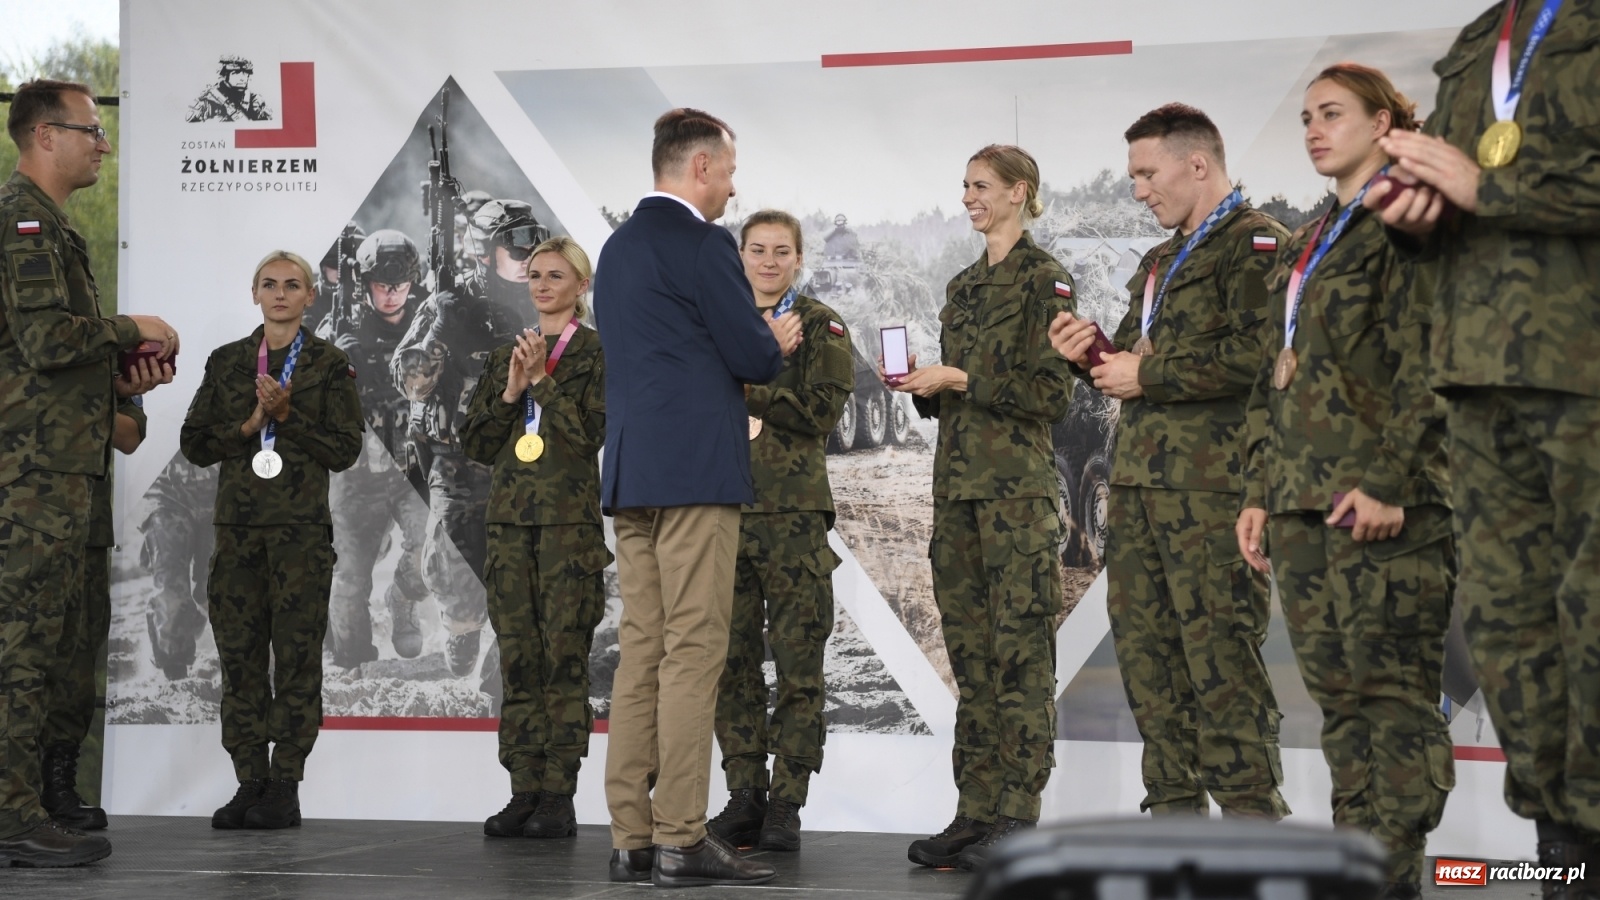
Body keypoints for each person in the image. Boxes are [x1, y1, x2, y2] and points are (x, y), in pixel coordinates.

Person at [1365, 2, 1600, 891]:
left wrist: (1486, 188)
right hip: (1480, 374)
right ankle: (1565, 846)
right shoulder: (1480, 40)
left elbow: (1490, 182)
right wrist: (1418, 219)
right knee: (1510, 633)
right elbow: (1461, 205)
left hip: (1585, 372)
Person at [1233, 65, 1454, 898]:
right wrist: (1259, 490)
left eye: (1333, 114)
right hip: (1301, 502)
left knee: (1391, 702)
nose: (1315, 130)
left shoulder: (1411, 220)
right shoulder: (1305, 240)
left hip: (1383, 501)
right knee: (1340, 709)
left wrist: (1393, 479)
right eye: (1305, 118)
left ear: (1384, 122)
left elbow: (1433, 359)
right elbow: (1272, 376)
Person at [1050, 104, 1291, 821]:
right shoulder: (1159, 264)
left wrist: (1145, 376)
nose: (1138, 190)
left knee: (1223, 670)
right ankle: (1175, 825)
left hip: (1213, 499)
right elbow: (1130, 360)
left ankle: (1254, 832)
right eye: (1132, 177)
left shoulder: (1258, 247)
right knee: (1153, 670)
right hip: (1141, 496)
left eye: (1147, 174)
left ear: (1197, 163)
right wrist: (1089, 351)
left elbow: (1260, 357)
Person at [597, 107, 800, 888]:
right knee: (692, 653)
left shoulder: (616, 247)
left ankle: (630, 837)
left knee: (640, 652)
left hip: (634, 475)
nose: (733, 186)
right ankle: (681, 836)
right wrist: (772, 343)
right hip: (694, 479)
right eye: (730, 170)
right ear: (701, 169)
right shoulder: (704, 242)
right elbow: (748, 349)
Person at [1, 78, 178, 866]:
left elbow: (39, 364)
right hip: (27, 485)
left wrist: (117, 381)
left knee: (60, 650)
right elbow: (43, 343)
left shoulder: (57, 231)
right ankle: (11, 819)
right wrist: (131, 327)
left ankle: (39, 800)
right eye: (90, 130)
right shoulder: (22, 220)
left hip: (65, 478)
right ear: (45, 135)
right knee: (21, 651)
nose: (102, 144)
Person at [888, 145, 1075, 871]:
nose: (968, 196)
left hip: (1017, 500)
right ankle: (974, 811)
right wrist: (928, 389)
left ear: (1019, 193)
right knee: (973, 661)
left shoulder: (1045, 281)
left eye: (981, 186)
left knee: (1021, 661)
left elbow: (1052, 395)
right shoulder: (962, 286)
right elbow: (963, 396)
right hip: (958, 497)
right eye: (964, 185)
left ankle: (1018, 819)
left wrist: (963, 375)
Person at [179, 250, 362, 830]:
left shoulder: (331, 365)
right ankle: (248, 782)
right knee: (240, 660)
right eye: (269, 284)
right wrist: (249, 428)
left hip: (300, 537)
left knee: (298, 660)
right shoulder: (229, 361)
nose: (280, 294)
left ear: (312, 296)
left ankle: (284, 785)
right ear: (254, 293)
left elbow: (345, 449)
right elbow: (194, 442)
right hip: (237, 534)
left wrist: (290, 415)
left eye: (292, 285)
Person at [707, 210, 853, 853]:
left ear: (797, 258)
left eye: (781, 251)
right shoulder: (715, 323)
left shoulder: (821, 324)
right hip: (721, 510)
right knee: (730, 664)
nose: (768, 260)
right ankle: (744, 794)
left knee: (799, 668)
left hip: (793, 519)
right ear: (740, 255)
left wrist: (748, 384)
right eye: (757, 249)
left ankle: (787, 803)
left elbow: (822, 412)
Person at [460, 236, 609, 840]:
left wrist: (544, 383)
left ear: (581, 285)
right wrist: (512, 391)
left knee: (563, 660)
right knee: (518, 659)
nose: (544, 284)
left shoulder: (600, 355)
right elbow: (475, 442)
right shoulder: (506, 356)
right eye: (536, 275)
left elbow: (589, 437)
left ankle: (558, 794)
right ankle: (522, 787)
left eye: (557, 275)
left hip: (568, 530)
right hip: (509, 528)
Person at [392, 199, 547, 683]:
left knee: (525, 572)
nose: (527, 256)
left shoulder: (547, 300)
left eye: (533, 243)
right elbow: (411, 383)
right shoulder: (447, 306)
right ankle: (460, 626)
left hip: (523, 457)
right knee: (456, 578)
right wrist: (440, 330)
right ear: (484, 251)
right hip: (456, 461)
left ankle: (505, 664)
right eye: (514, 246)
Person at [41, 384, 167, 831]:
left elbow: (130, 434)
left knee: (77, 663)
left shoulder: (103, 357)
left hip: (85, 528)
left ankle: (57, 785)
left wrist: (78, 398)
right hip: (17, 523)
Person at [317, 229, 433, 667]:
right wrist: (333, 363)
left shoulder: (428, 322)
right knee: (347, 584)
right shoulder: (338, 330)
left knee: (431, 552)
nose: (392, 295)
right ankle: (352, 659)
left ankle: (402, 598)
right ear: (364, 284)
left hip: (409, 468)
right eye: (383, 286)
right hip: (353, 476)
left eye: (400, 285)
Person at [140, 454, 220, 679]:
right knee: (171, 591)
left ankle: (188, 623)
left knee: (215, 589)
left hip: (224, 494)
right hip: (168, 496)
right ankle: (174, 668)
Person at [185, 55, 273, 123]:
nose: (243, 78)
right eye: (236, 73)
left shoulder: (255, 99)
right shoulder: (208, 99)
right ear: (225, 75)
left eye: (246, 73)